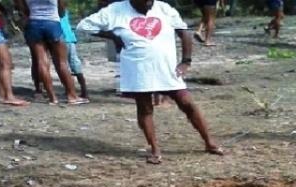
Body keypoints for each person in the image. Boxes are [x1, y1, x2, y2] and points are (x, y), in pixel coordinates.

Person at [77, 0, 223, 164]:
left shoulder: (164, 8)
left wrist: (186, 61)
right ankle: (154, 149)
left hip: (167, 68)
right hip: (138, 69)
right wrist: (112, 35)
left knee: (187, 103)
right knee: (145, 108)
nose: (148, 3)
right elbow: (84, 26)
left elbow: (184, 32)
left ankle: (209, 142)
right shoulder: (115, 11)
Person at [14, 0, 88, 104]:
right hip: (52, 23)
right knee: (61, 62)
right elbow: (62, 11)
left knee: (41, 61)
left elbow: (23, 10)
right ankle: (72, 96)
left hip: (34, 24)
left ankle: (52, 98)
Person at [60, 10, 88, 99]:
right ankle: (83, 90)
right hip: (69, 37)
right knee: (74, 65)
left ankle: (71, 90)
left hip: (63, 38)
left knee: (66, 66)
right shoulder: (62, 8)